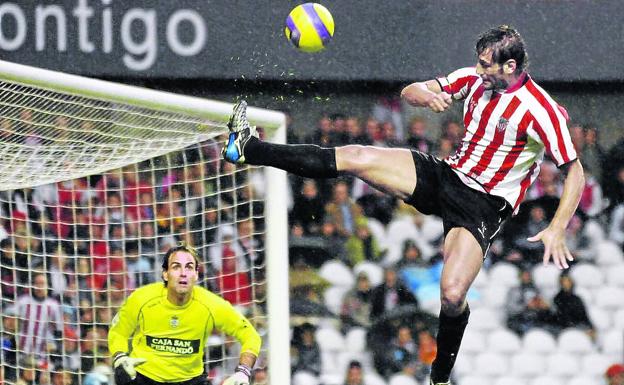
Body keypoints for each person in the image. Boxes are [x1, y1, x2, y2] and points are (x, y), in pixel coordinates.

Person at [222, 25, 584, 385]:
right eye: (478, 62)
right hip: (446, 176)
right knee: (357, 156)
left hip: (483, 205)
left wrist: (556, 227)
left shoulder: (541, 110)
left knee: (453, 294)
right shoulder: (473, 80)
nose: (478, 70)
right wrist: (425, 96)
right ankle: (248, 148)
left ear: (510, 66)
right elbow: (410, 91)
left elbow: (575, 172)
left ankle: (439, 377)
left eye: (487, 65)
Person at [108, 243, 261, 385]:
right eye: (176, 267)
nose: (183, 273)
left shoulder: (211, 304)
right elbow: (119, 332)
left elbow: (250, 335)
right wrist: (120, 356)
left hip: (190, 380)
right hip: (145, 377)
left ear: (196, 275)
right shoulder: (141, 298)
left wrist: (243, 371)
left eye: (189, 267)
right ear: (165, 274)